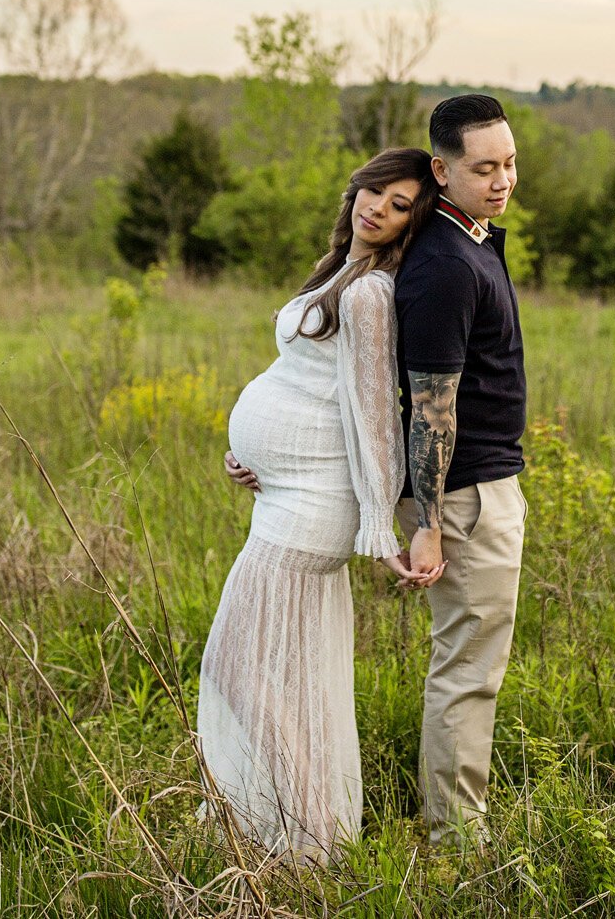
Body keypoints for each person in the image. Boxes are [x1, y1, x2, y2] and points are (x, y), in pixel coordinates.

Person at [199, 147, 441, 862]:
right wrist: (252, 456)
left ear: (410, 225)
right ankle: (290, 828)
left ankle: (305, 830)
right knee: (277, 672)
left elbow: (373, 415)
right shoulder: (343, 268)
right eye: (377, 191)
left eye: (400, 206)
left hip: (312, 511)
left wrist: (378, 523)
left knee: (237, 666)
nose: (379, 207)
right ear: (358, 186)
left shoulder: (370, 294)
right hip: (284, 494)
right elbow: (305, 383)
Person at [395, 94, 526, 846]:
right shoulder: (444, 264)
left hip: (479, 488)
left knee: (473, 664)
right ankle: (454, 844)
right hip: (466, 497)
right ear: (442, 170)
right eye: (484, 167)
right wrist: (433, 526)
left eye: (508, 162)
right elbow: (430, 409)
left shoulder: (468, 241)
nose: (502, 178)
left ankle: (456, 828)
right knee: (466, 671)